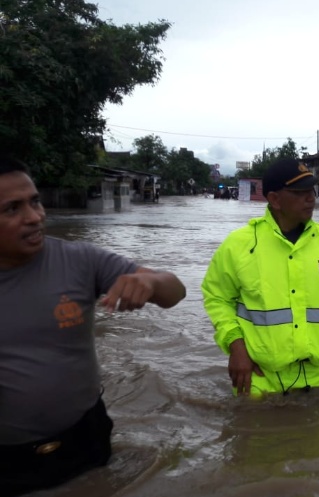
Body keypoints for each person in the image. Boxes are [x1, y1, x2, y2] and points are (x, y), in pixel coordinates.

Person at [0, 155, 187, 496]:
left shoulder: (80, 260)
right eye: (12, 209)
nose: (35, 217)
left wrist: (151, 284)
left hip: (87, 440)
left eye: (35, 202)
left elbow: (175, 290)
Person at [202, 158, 319, 397]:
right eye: (300, 192)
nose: (311, 198)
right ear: (275, 199)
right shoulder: (240, 245)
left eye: (312, 190)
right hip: (259, 379)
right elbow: (217, 298)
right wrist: (237, 348)